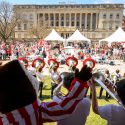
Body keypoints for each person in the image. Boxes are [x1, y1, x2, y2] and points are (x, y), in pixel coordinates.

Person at [0, 60, 92, 124]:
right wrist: (80, 82)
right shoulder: (35, 111)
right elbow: (64, 107)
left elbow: (63, 107)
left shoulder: (34, 110)